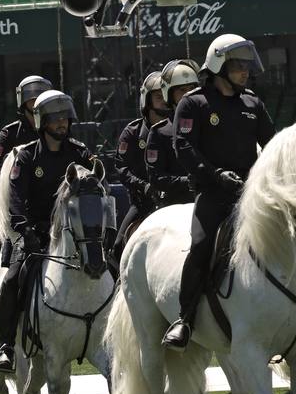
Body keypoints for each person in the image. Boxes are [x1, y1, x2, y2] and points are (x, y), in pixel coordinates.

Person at [161, 34, 275, 350]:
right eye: (238, 66)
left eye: (247, 66)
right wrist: (214, 176)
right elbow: (182, 145)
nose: (245, 72)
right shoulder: (193, 103)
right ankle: (184, 319)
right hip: (214, 195)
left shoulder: (253, 102)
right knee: (200, 245)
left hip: (251, 198)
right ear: (219, 65)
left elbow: (272, 145)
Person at [0, 90, 92, 373]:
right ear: (42, 122)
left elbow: (96, 188)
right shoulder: (25, 157)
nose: (62, 123)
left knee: (109, 265)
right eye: (55, 118)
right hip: (35, 232)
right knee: (13, 279)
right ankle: (6, 347)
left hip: (74, 232)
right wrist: (24, 229)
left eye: (65, 117)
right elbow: (14, 198)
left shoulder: (80, 153)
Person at [0, 75, 53, 281]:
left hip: (51, 205)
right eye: (32, 100)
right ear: (23, 103)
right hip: (15, 208)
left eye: (42, 99)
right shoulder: (9, 134)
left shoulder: (57, 131)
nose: (37, 104)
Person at [111, 70, 170, 267]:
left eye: (165, 95)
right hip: (143, 202)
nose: (162, 100)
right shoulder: (132, 133)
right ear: (146, 100)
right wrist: (144, 186)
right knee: (118, 246)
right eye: (157, 96)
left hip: (175, 198)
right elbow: (121, 167)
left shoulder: (178, 127)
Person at [145, 60, 200, 208]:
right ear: (169, 94)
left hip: (210, 198)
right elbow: (156, 177)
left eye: (192, 88)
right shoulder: (159, 132)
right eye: (181, 90)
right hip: (175, 204)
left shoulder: (209, 125)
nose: (188, 94)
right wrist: (186, 181)